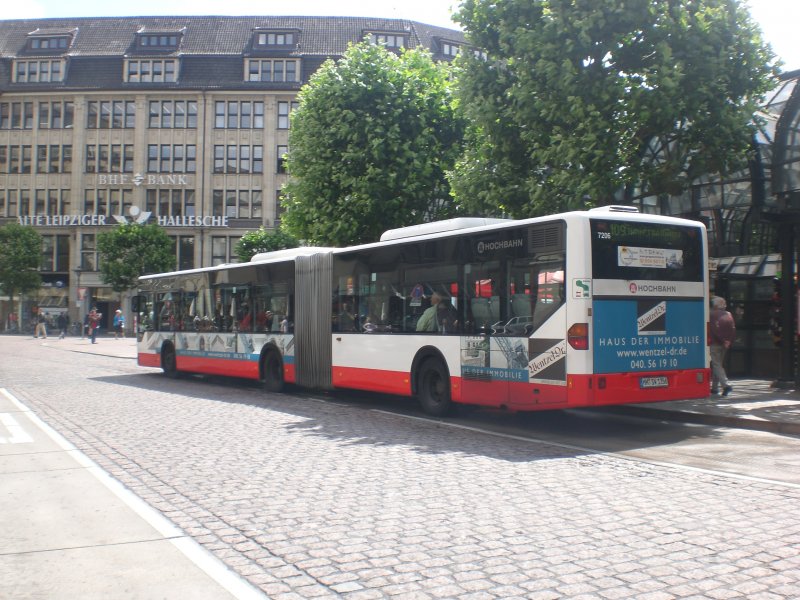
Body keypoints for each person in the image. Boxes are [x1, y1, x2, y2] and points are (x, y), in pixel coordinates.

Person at [710, 296, 736, 396]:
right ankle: (714, 388)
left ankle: (726, 385)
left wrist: (723, 340)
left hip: (715, 343)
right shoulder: (729, 314)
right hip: (725, 344)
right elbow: (733, 328)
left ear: (715, 305)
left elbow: (714, 330)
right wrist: (728, 341)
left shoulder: (711, 314)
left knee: (716, 365)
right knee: (718, 365)